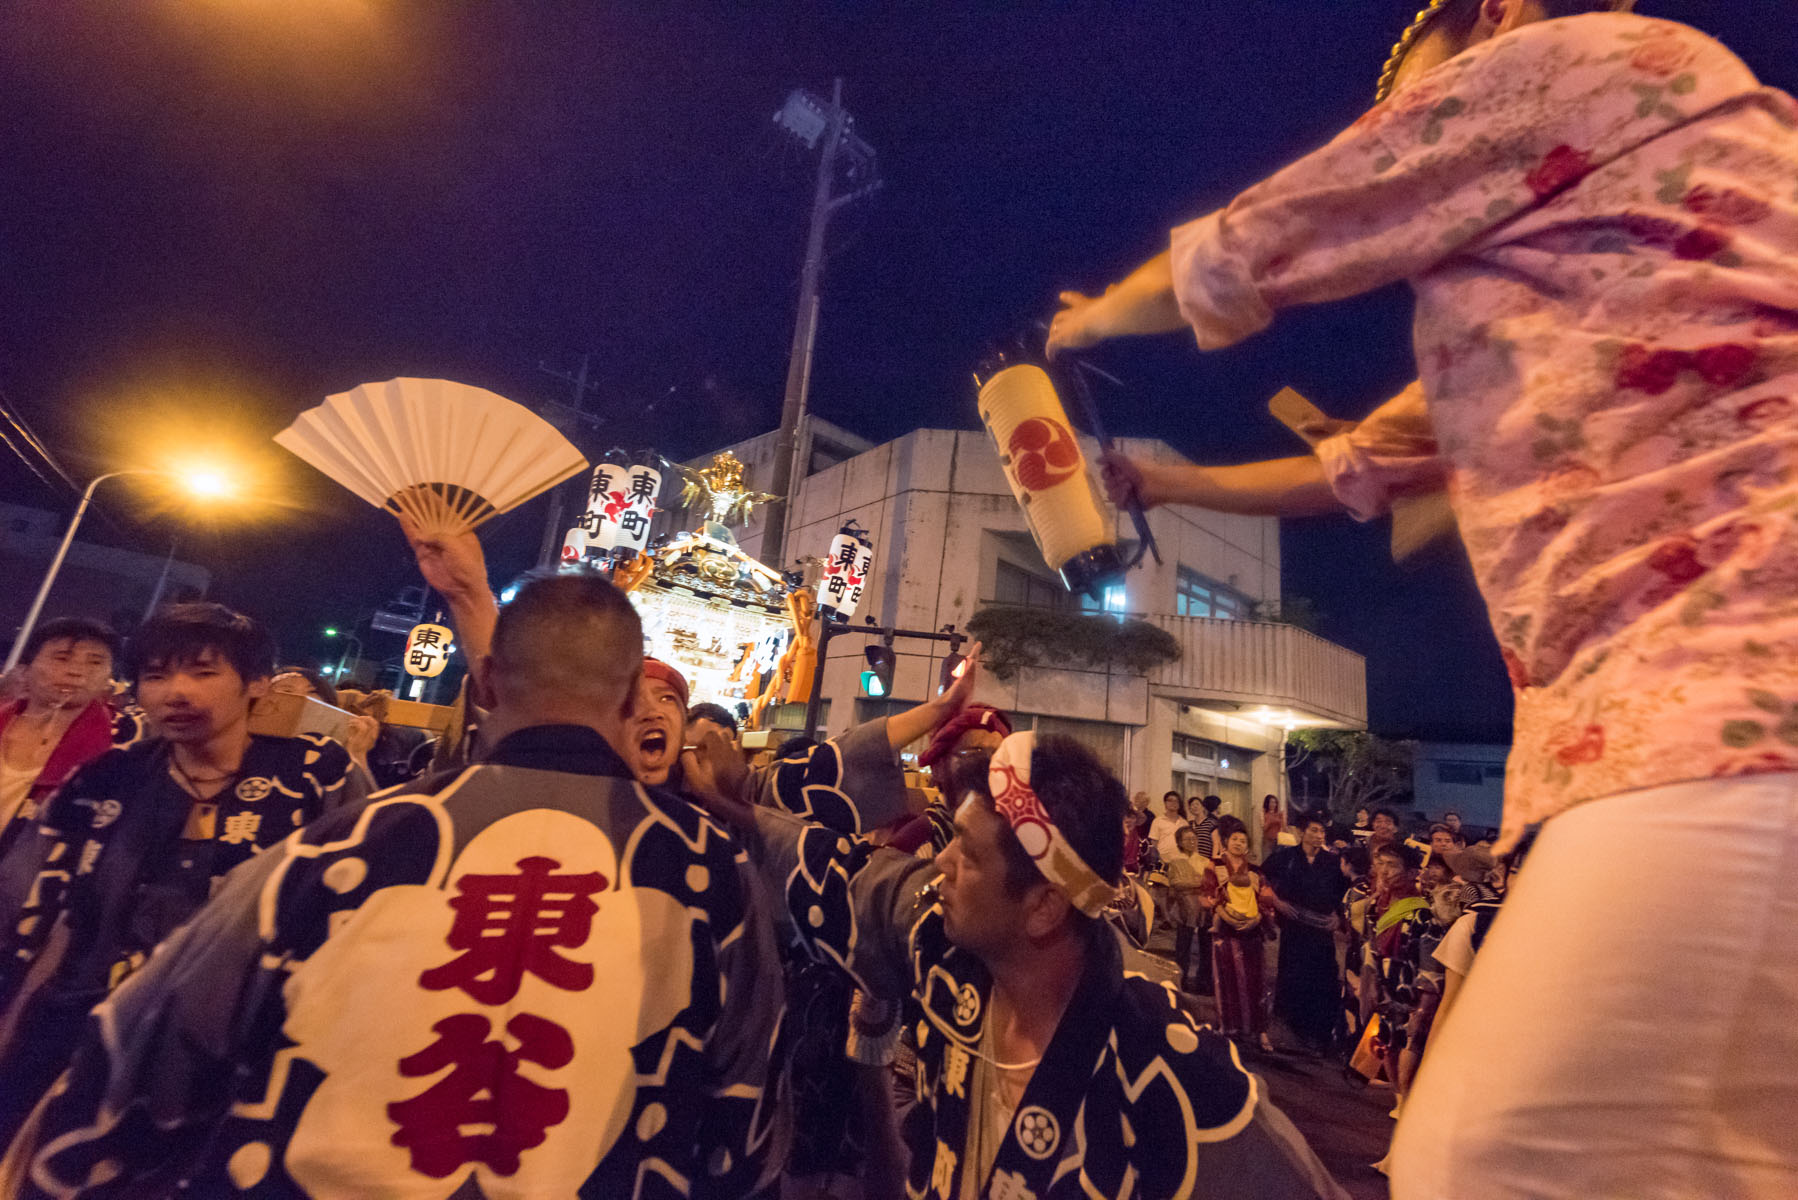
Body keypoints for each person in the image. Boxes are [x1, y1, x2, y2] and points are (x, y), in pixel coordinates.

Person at [1050, 0, 1798, 1190]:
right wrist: (1165, 479)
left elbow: (1267, 235)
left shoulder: (1573, 59)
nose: (1408, 127)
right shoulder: (1607, 247)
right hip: (1710, 728)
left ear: (1490, 17)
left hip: (1730, 698)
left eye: (1415, 94)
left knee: (1483, 1161)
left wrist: (1088, 320)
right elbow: (1357, 468)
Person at [14, 573, 787, 1197]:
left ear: (486, 681)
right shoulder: (711, 868)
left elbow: (142, 1054)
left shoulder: (347, 840)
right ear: (626, 700)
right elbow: (744, 1125)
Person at [684, 708, 1347, 1198]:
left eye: (967, 854)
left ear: (1043, 906)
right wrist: (726, 804)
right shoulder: (945, 955)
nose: (937, 862)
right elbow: (849, 876)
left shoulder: (1170, 1069)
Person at [0, 603, 366, 1148]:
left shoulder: (315, 773)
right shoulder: (108, 777)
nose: (176, 691)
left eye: (203, 672)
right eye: (155, 675)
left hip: (247, 1046)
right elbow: (45, 916)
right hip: (87, 1029)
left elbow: (360, 902)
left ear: (258, 684)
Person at [1264, 814, 1348, 1053]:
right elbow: (1261, 878)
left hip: (1321, 928)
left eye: (1322, 831)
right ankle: (1291, 1029)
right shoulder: (1286, 857)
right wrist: (1277, 902)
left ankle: (1319, 1033)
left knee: (1323, 977)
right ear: (1302, 833)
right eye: (1313, 830)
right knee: (1293, 974)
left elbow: (1344, 893)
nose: (1318, 835)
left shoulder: (1333, 861)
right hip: (1294, 927)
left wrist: (1338, 917)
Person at [1199, 815, 1276, 1052]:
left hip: (1251, 934)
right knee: (1225, 980)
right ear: (1225, 841)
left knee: (1256, 981)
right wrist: (1221, 911)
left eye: (1243, 840)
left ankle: (1260, 1030)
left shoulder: (1255, 871)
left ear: (1248, 846)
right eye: (1234, 839)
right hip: (1225, 934)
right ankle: (1227, 1027)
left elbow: (1267, 898)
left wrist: (1256, 919)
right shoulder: (1215, 865)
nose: (1238, 844)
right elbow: (1205, 894)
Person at [1162, 824, 1209, 990]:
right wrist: (1197, 883)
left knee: (1206, 947)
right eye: (1187, 839)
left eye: (1194, 838)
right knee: (1183, 947)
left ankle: (1204, 981)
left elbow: (1208, 884)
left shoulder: (1205, 861)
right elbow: (1175, 883)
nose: (1191, 842)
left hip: (1204, 908)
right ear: (1179, 842)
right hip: (1184, 908)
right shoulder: (1175, 862)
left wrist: (1191, 885)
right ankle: (1180, 980)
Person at [1148, 789, 1186, 864]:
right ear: (1165, 803)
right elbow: (1154, 842)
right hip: (1164, 862)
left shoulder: (1184, 823)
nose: (1173, 803)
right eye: (1170, 800)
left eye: (1176, 801)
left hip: (1181, 861)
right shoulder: (1158, 821)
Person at [1191, 792, 1222, 858]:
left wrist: (1214, 859)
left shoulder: (1212, 822)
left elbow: (1217, 843)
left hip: (1208, 860)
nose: (1195, 807)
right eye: (1192, 805)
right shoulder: (1190, 824)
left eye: (1197, 804)